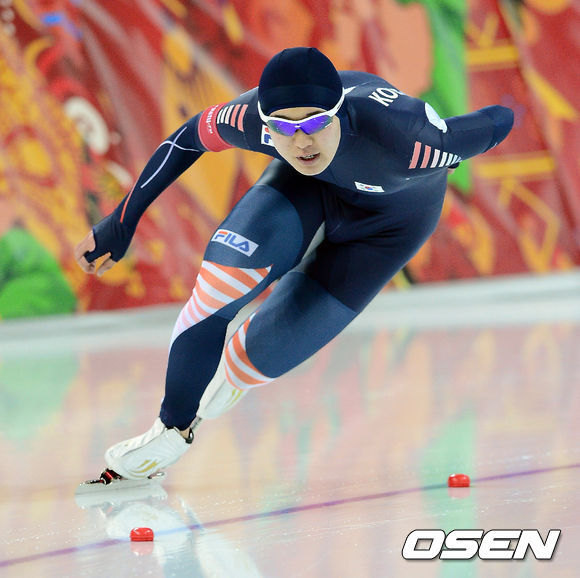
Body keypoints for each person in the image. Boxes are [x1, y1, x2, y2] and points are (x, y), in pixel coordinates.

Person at [74, 47, 514, 482]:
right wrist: (122, 220)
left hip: (386, 230)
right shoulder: (249, 120)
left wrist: (453, 146)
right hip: (305, 187)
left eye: (316, 123)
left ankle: (213, 397)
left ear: (339, 113)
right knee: (219, 285)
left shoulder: (411, 140)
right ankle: (171, 430)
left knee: (249, 362)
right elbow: (186, 138)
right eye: (284, 127)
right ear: (266, 123)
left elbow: (500, 119)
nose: (302, 141)